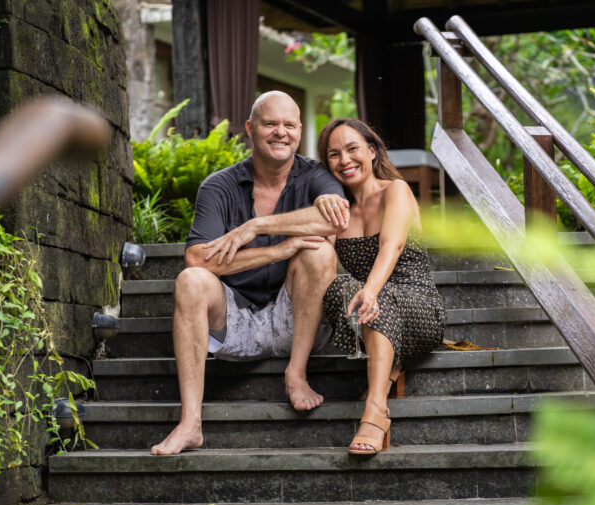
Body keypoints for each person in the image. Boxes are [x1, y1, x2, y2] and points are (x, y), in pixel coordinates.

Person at [150, 91, 349, 456]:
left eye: (289, 125)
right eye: (270, 123)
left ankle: (296, 373)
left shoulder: (315, 175)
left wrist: (255, 226)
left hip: (297, 320)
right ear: (250, 128)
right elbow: (196, 257)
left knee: (319, 250)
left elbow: (336, 220)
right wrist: (278, 249)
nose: (280, 132)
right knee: (190, 280)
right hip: (236, 321)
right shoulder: (219, 186)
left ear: (300, 131)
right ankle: (190, 423)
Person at [315, 118, 445, 455]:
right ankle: (391, 366)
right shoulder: (339, 208)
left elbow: (392, 246)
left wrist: (370, 291)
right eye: (334, 154)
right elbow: (320, 258)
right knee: (339, 288)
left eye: (352, 149)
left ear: (372, 151)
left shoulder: (395, 190)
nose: (344, 160)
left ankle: (376, 410)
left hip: (418, 305)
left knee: (373, 295)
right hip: (368, 305)